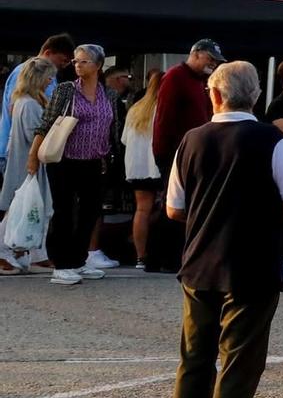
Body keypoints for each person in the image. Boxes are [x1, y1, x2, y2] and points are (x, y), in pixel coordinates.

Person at [163, 61, 283, 398]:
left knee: (194, 362)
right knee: (238, 364)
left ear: (214, 95)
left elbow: (174, 207)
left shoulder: (191, 140)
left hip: (198, 265)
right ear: (256, 96)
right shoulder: (270, 139)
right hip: (251, 265)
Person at [32, 43, 123, 284]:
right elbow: (46, 123)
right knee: (63, 210)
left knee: (90, 212)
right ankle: (61, 263)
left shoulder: (109, 95)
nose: (78, 66)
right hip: (65, 160)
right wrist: (33, 157)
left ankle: (78, 259)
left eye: (84, 61)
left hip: (95, 160)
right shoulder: (66, 90)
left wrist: (111, 157)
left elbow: (113, 128)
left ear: (99, 66)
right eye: (75, 61)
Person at [2, 57, 58, 274]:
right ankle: (6, 250)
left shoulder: (23, 101)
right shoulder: (30, 104)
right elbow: (35, 134)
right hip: (28, 164)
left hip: (24, 162)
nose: (50, 81)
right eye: (47, 77)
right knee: (22, 208)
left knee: (27, 208)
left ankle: (33, 252)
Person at [0, 33, 75, 181]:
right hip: (19, 152)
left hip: (26, 151)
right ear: (48, 53)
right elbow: (16, 111)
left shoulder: (46, 78)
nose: (64, 65)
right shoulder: (26, 73)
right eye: (63, 60)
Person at [153, 39, 223, 178]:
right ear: (196, 54)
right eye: (210, 58)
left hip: (196, 152)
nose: (214, 64)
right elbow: (164, 117)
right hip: (178, 154)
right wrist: (164, 155)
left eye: (216, 61)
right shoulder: (175, 76)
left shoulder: (201, 80)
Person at [121, 69, 167, 269]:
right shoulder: (165, 107)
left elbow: (124, 139)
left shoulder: (136, 109)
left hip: (137, 167)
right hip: (159, 165)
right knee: (166, 208)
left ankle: (140, 256)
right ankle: (160, 252)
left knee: (141, 209)